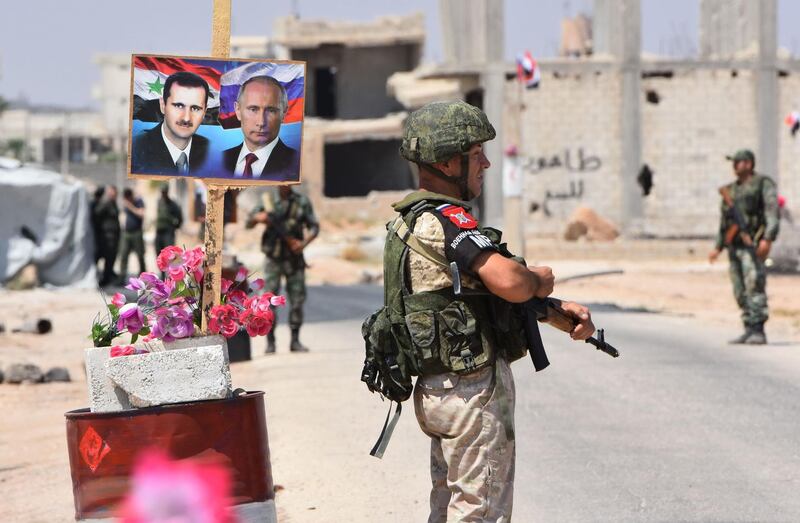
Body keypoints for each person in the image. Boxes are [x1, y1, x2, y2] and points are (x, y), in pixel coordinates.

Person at [393, 100, 595, 521]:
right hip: (470, 390)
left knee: (449, 508)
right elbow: (509, 282)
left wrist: (559, 314)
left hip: (440, 387)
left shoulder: (412, 220)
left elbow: (475, 294)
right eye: (475, 155)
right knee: (481, 510)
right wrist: (537, 279)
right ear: (449, 163)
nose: (485, 163)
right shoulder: (447, 219)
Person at [709, 149, 780, 344]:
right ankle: (748, 326)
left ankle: (758, 329)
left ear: (749, 164)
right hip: (735, 246)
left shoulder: (762, 184)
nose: (734, 166)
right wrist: (718, 246)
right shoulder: (730, 190)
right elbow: (724, 222)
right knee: (739, 289)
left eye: (738, 162)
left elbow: (772, 211)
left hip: (753, 244)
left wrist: (768, 238)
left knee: (754, 284)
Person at [246, 186, 318, 353]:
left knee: (297, 300)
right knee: (269, 301)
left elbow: (314, 227)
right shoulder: (268, 201)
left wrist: (303, 243)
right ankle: (270, 343)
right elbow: (248, 222)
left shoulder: (302, 202)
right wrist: (259, 217)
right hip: (274, 259)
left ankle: (295, 340)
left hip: (294, 258)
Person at [131, 72, 210, 176]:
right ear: (163, 105)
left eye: (195, 108)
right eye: (179, 106)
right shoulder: (135, 150)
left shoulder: (210, 151)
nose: (186, 118)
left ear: (204, 112)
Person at [222, 75, 300, 181]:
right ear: (238, 110)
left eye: (271, 110)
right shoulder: (218, 161)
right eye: (253, 109)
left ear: (284, 113)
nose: (261, 122)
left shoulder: (298, 164)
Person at [93, 185, 121, 287]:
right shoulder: (106, 203)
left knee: (111, 259)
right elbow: (96, 214)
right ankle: (103, 280)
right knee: (105, 258)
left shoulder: (113, 203)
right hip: (107, 236)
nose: (114, 194)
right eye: (112, 192)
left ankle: (107, 278)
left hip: (113, 236)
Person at [119, 188, 146, 281]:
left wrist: (130, 206)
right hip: (127, 233)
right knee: (123, 255)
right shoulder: (126, 203)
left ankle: (143, 276)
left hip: (136, 232)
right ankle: (121, 277)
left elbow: (141, 213)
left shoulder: (138, 201)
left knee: (140, 255)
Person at [155, 183, 183, 258]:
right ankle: (161, 269)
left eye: (164, 192)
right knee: (158, 253)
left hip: (168, 233)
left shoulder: (173, 204)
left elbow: (180, 217)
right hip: (159, 232)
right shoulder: (159, 202)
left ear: (167, 192)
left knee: (169, 254)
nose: (163, 194)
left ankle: (169, 269)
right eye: (162, 192)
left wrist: (176, 226)